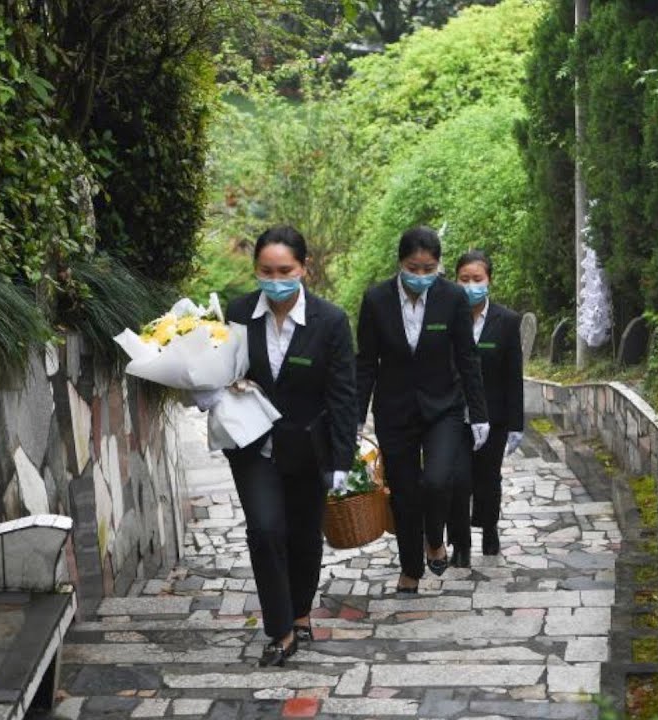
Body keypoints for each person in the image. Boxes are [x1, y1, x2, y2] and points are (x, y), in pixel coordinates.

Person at [200, 225, 359, 667]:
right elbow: (218, 368)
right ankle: (282, 629)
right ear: (256, 271)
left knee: (304, 536)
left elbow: (343, 393)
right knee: (265, 530)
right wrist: (206, 391)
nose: (275, 279)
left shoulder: (330, 321)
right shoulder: (239, 312)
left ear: (303, 269)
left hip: (308, 447)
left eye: (285, 270)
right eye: (266, 271)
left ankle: (302, 609)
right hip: (252, 446)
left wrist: (342, 457)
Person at [355, 226, 489, 595]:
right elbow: (366, 363)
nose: (420, 276)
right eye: (413, 268)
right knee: (404, 493)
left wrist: (479, 414)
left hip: (443, 406)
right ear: (400, 263)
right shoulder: (376, 300)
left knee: (436, 480)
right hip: (394, 409)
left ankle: (434, 538)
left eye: (428, 268)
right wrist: (354, 417)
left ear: (438, 266)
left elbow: (467, 357)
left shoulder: (452, 299)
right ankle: (411, 568)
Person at [446, 250, 525, 568]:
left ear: (489, 280)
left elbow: (513, 376)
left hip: (495, 417)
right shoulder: (447, 319)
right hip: (454, 416)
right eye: (464, 279)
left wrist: (516, 424)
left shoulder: (506, 321)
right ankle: (460, 545)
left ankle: (489, 527)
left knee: (488, 481)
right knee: (457, 481)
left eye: (477, 279)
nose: (470, 285)